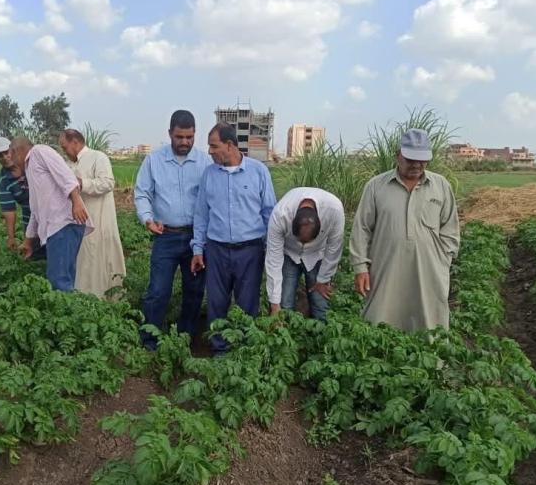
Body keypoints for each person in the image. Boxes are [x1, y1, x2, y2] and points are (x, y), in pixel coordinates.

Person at [349, 128, 460, 331]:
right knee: (380, 319)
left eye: (422, 160)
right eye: (411, 159)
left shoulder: (441, 186)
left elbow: (450, 229)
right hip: (385, 267)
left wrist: (442, 260)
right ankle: (379, 361)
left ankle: (431, 362)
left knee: (429, 322)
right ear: (398, 155)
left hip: (429, 271)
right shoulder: (376, 186)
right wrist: (360, 267)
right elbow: (361, 229)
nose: (417, 165)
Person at [190, 122, 276, 353]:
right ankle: (220, 350)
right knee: (217, 303)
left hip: (251, 250)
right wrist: (198, 249)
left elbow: (269, 213)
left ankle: (244, 351)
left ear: (230, 145)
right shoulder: (209, 174)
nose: (209, 151)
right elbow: (201, 215)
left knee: (248, 303)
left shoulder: (258, 171)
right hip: (217, 250)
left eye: (214, 146)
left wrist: (271, 249)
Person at [134, 110, 214, 350]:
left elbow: (213, 197)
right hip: (165, 235)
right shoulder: (154, 160)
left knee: (194, 290)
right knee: (158, 291)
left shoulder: (205, 162)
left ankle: (185, 338)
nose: (185, 142)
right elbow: (142, 193)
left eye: (189, 137)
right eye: (180, 137)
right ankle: (150, 341)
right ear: (170, 134)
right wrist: (148, 219)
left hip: (195, 238)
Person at [9, 137, 92, 292]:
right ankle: (69, 312)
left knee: (59, 281)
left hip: (63, 223)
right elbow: (36, 209)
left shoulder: (39, 152)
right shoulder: (30, 169)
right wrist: (28, 241)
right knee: (62, 277)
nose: (12, 163)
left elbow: (65, 175)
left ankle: (67, 314)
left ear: (15, 152)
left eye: (11, 157)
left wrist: (76, 201)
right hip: (58, 227)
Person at [59, 129, 125, 297]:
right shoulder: (67, 164)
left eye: (65, 147)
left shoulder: (98, 157)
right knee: (82, 265)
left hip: (99, 221)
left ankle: (104, 302)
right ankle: (83, 303)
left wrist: (82, 183)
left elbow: (108, 183)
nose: (64, 151)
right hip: (76, 224)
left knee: (100, 263)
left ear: (75, 142)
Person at [266, 187, 344, 321]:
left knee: (321, 303)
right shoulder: (280, 214)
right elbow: (273, 260)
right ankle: (286, 335)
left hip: (317, 254)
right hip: (289, 253)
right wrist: (274, 304)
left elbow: (333, 248)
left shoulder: (334, 210)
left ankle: (321, 336)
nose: (304, 245)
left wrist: (324, 279)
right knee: (284, 303)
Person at [0, 137, 31, 251]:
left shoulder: (30, 163)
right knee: (34, 254)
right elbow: (9, 210)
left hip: (50, 214)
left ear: (13, 150)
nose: (4, 157)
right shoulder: (3, 181)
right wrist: (11, 237)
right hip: (29, 219)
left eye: (6, 152)